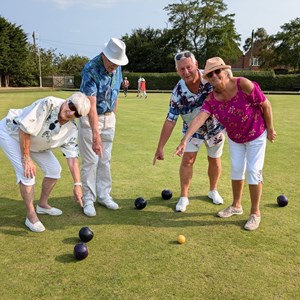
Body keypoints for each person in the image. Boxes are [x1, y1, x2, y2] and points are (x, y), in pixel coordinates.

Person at [175, 57, 277, 230]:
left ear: (225, 71)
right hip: (236, 138)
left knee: (253, 171)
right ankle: (236, 206)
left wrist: (271, 129)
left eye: (217, 71)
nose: (214, 75)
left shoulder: (243, 84)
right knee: (237, 170)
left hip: (256, 134)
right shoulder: (212, 99)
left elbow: (265, 105)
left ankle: (255, 213)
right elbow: (200, 118)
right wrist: (184, 140)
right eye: (210, 74)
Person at [0, 92, 91, 232]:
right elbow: (24, 130)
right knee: (27, 173)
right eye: (71, 106)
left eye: (77, 113)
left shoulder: (71, 129)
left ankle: (42, 205)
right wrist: (26, 159)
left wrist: (77, 184)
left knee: (54, 170)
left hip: (36, 142)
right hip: (11, 133)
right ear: (67, 101)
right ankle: (31, 216)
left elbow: (72, 158)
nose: (71, 112)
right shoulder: (48, 104)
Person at [153, 51, 225, 213]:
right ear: (177, 70)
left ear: (196, 65)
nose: (186, 72)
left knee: (215, 159)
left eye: (189, 67)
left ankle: (213, 190)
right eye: (181, 69)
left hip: (215, 128)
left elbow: (227, 86)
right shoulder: (177, 93)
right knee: (187, 161)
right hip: (191, 132)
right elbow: (170, 120)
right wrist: (160, 147)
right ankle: (184, 196)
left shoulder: (210, 78)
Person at [79, 37, 129, 217]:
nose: (114, 66)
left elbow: (114, 93)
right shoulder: (90, 69)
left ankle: (103, 195)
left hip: (109, 118)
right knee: (91, 160)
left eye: (117, 63)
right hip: (90, 119)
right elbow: (90, 105)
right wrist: (95, 134)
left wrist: (112, 116)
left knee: (105, 159)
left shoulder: (117, 67)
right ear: (104, 56)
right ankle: (88, 199)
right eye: (112, 63)